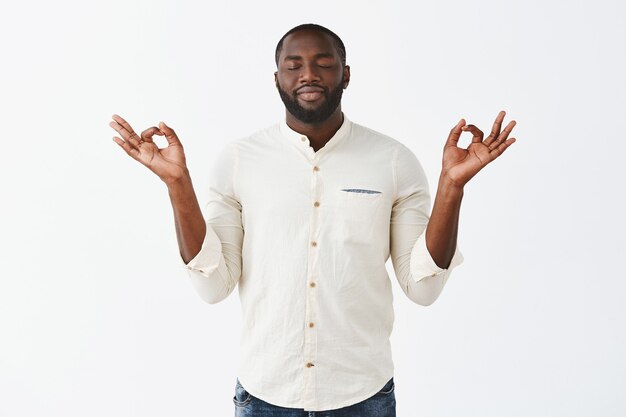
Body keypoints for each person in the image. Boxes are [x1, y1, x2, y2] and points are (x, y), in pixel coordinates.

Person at [110, 23, 516, 417]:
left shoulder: (393, 161)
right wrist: (178, 184)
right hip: (265, 394)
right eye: (293, 65)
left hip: (363, 395)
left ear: (346, 74)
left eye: (324, 63)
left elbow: (422, 289)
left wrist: (451, 186)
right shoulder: (238, 162)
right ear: (276, 78)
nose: (308, 74)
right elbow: (213, 285)